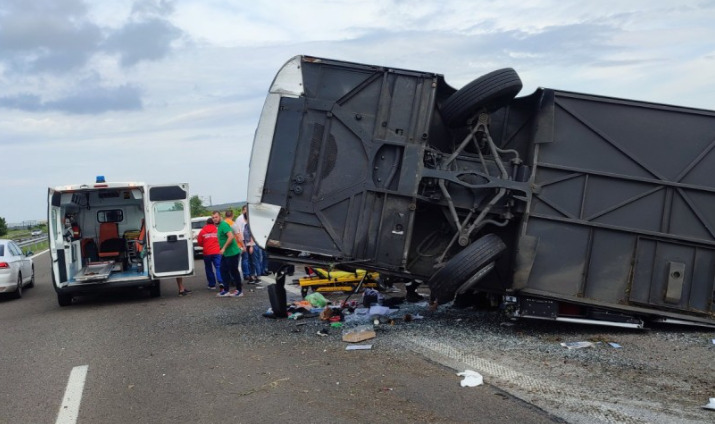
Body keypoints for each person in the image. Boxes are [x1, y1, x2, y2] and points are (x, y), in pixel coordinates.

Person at [213, 210, 243, 297]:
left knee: (234, 272)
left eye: (216, 217)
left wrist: (224, 248)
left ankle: (239, 290)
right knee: (223, 270)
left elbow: (231, 236)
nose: (214, 219)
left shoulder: (224, 225)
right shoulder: (220, 226)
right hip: (226, 253)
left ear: (220, 217)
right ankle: (226, 290)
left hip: (232, 252)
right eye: (213, 217)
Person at [196, 217, 222, 290]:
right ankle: (221, 282)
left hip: (207, 252)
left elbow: (199, 242)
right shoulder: (217, 230)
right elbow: (220, 240)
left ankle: (212, 285)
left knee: (208, 268)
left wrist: (205, 245)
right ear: (213, 223)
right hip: (217, 251)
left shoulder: (202, 231)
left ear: (206, 223)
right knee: (218, 266)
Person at [242, 212, 261, 284]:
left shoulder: (252, 225)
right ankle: (252, 276)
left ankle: (258, 277)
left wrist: (251, 246)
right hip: (248, 245)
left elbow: (252, 235)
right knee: (250, 261)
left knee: (255, 261)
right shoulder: (246, 225)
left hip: (253, 245)